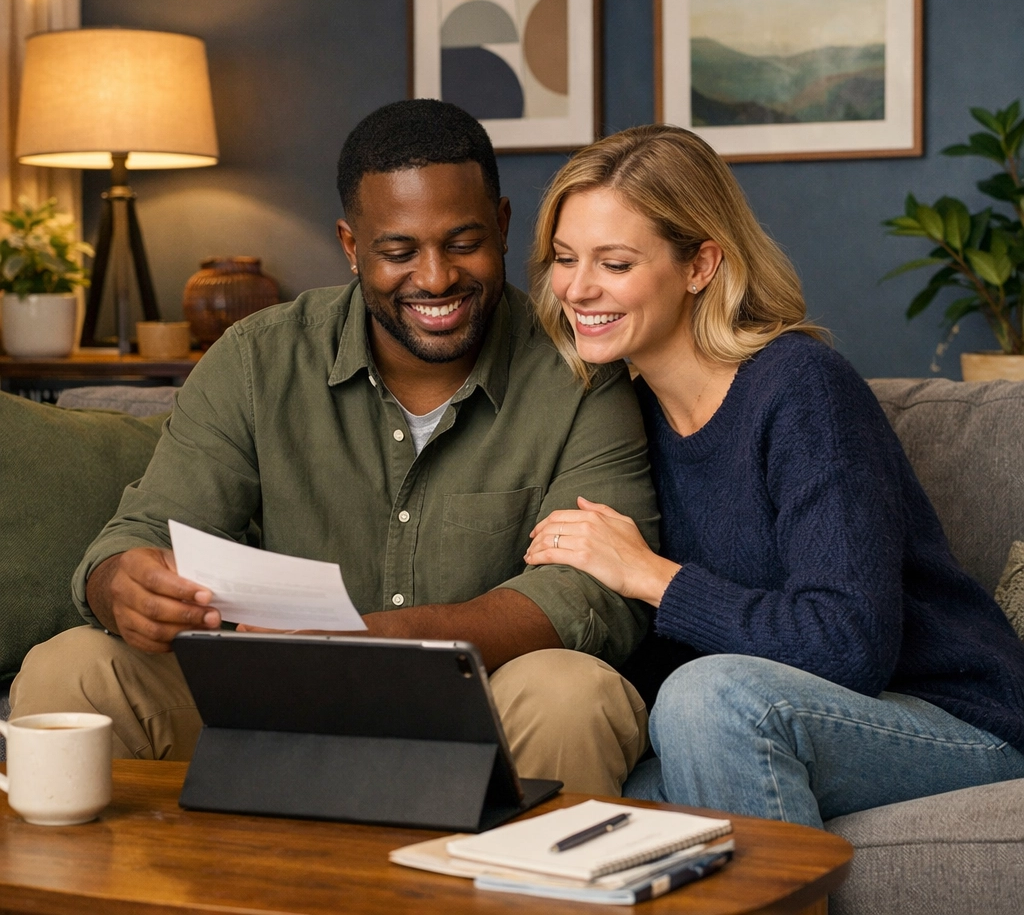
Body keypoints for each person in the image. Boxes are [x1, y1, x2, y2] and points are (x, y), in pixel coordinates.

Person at [11, 100, 659, 796]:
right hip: (269, 700)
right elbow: (141, 534)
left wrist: (371, 643)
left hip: (485, 706)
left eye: (463, 243)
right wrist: (123, 586)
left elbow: (593, 595)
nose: (436, 277)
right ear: (352, 247)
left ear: (501, 227)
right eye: (399, 251)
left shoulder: (580, 372)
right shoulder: (259, 358)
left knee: (572, 691)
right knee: (70, 667)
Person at [524, 124, 1024, 828]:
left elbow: (849, 644)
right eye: (565, 258)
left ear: (701, 265)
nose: (577, 288)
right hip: (770, 721)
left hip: (953, 720)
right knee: (600, 800)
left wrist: (649, 574)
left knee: (708, 700)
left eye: (615, 263)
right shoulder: (619, 418)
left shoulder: (801, 388)